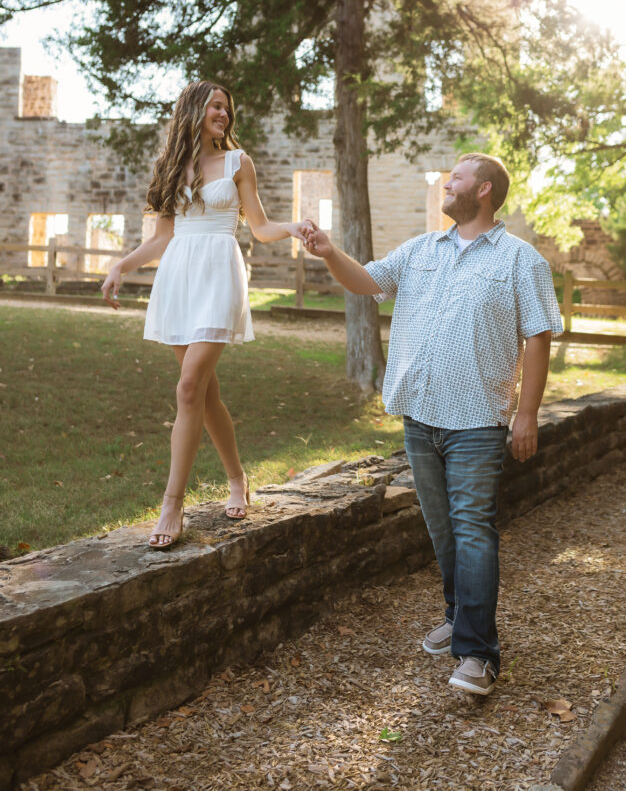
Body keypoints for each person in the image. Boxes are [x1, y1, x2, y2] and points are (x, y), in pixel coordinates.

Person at [303, 153, 562, 695]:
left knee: (472, 531)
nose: (449, 184)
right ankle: (457, 615)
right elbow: (366, 280)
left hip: (477, 420)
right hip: (419, 414)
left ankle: (478, 653)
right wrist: (329, 253)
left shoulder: (521, 260)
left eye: (458, 178)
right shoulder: (423, 249)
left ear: (484, 190)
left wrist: (527, 414)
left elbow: (538, 337)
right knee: (444, 531)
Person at [102, 81, 307, 549]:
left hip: (219, 274)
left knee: (190, 384)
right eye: (216, 105)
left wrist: (293, 227)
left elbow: (259, 225)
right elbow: (159, 240)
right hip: (178, 279)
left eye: (227, 108)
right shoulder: (172, 167)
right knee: (205, 394)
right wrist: (119, 265)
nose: (224, 114)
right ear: (194, 110)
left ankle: (172, 502)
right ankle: (237, 478)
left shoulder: (239, 162)